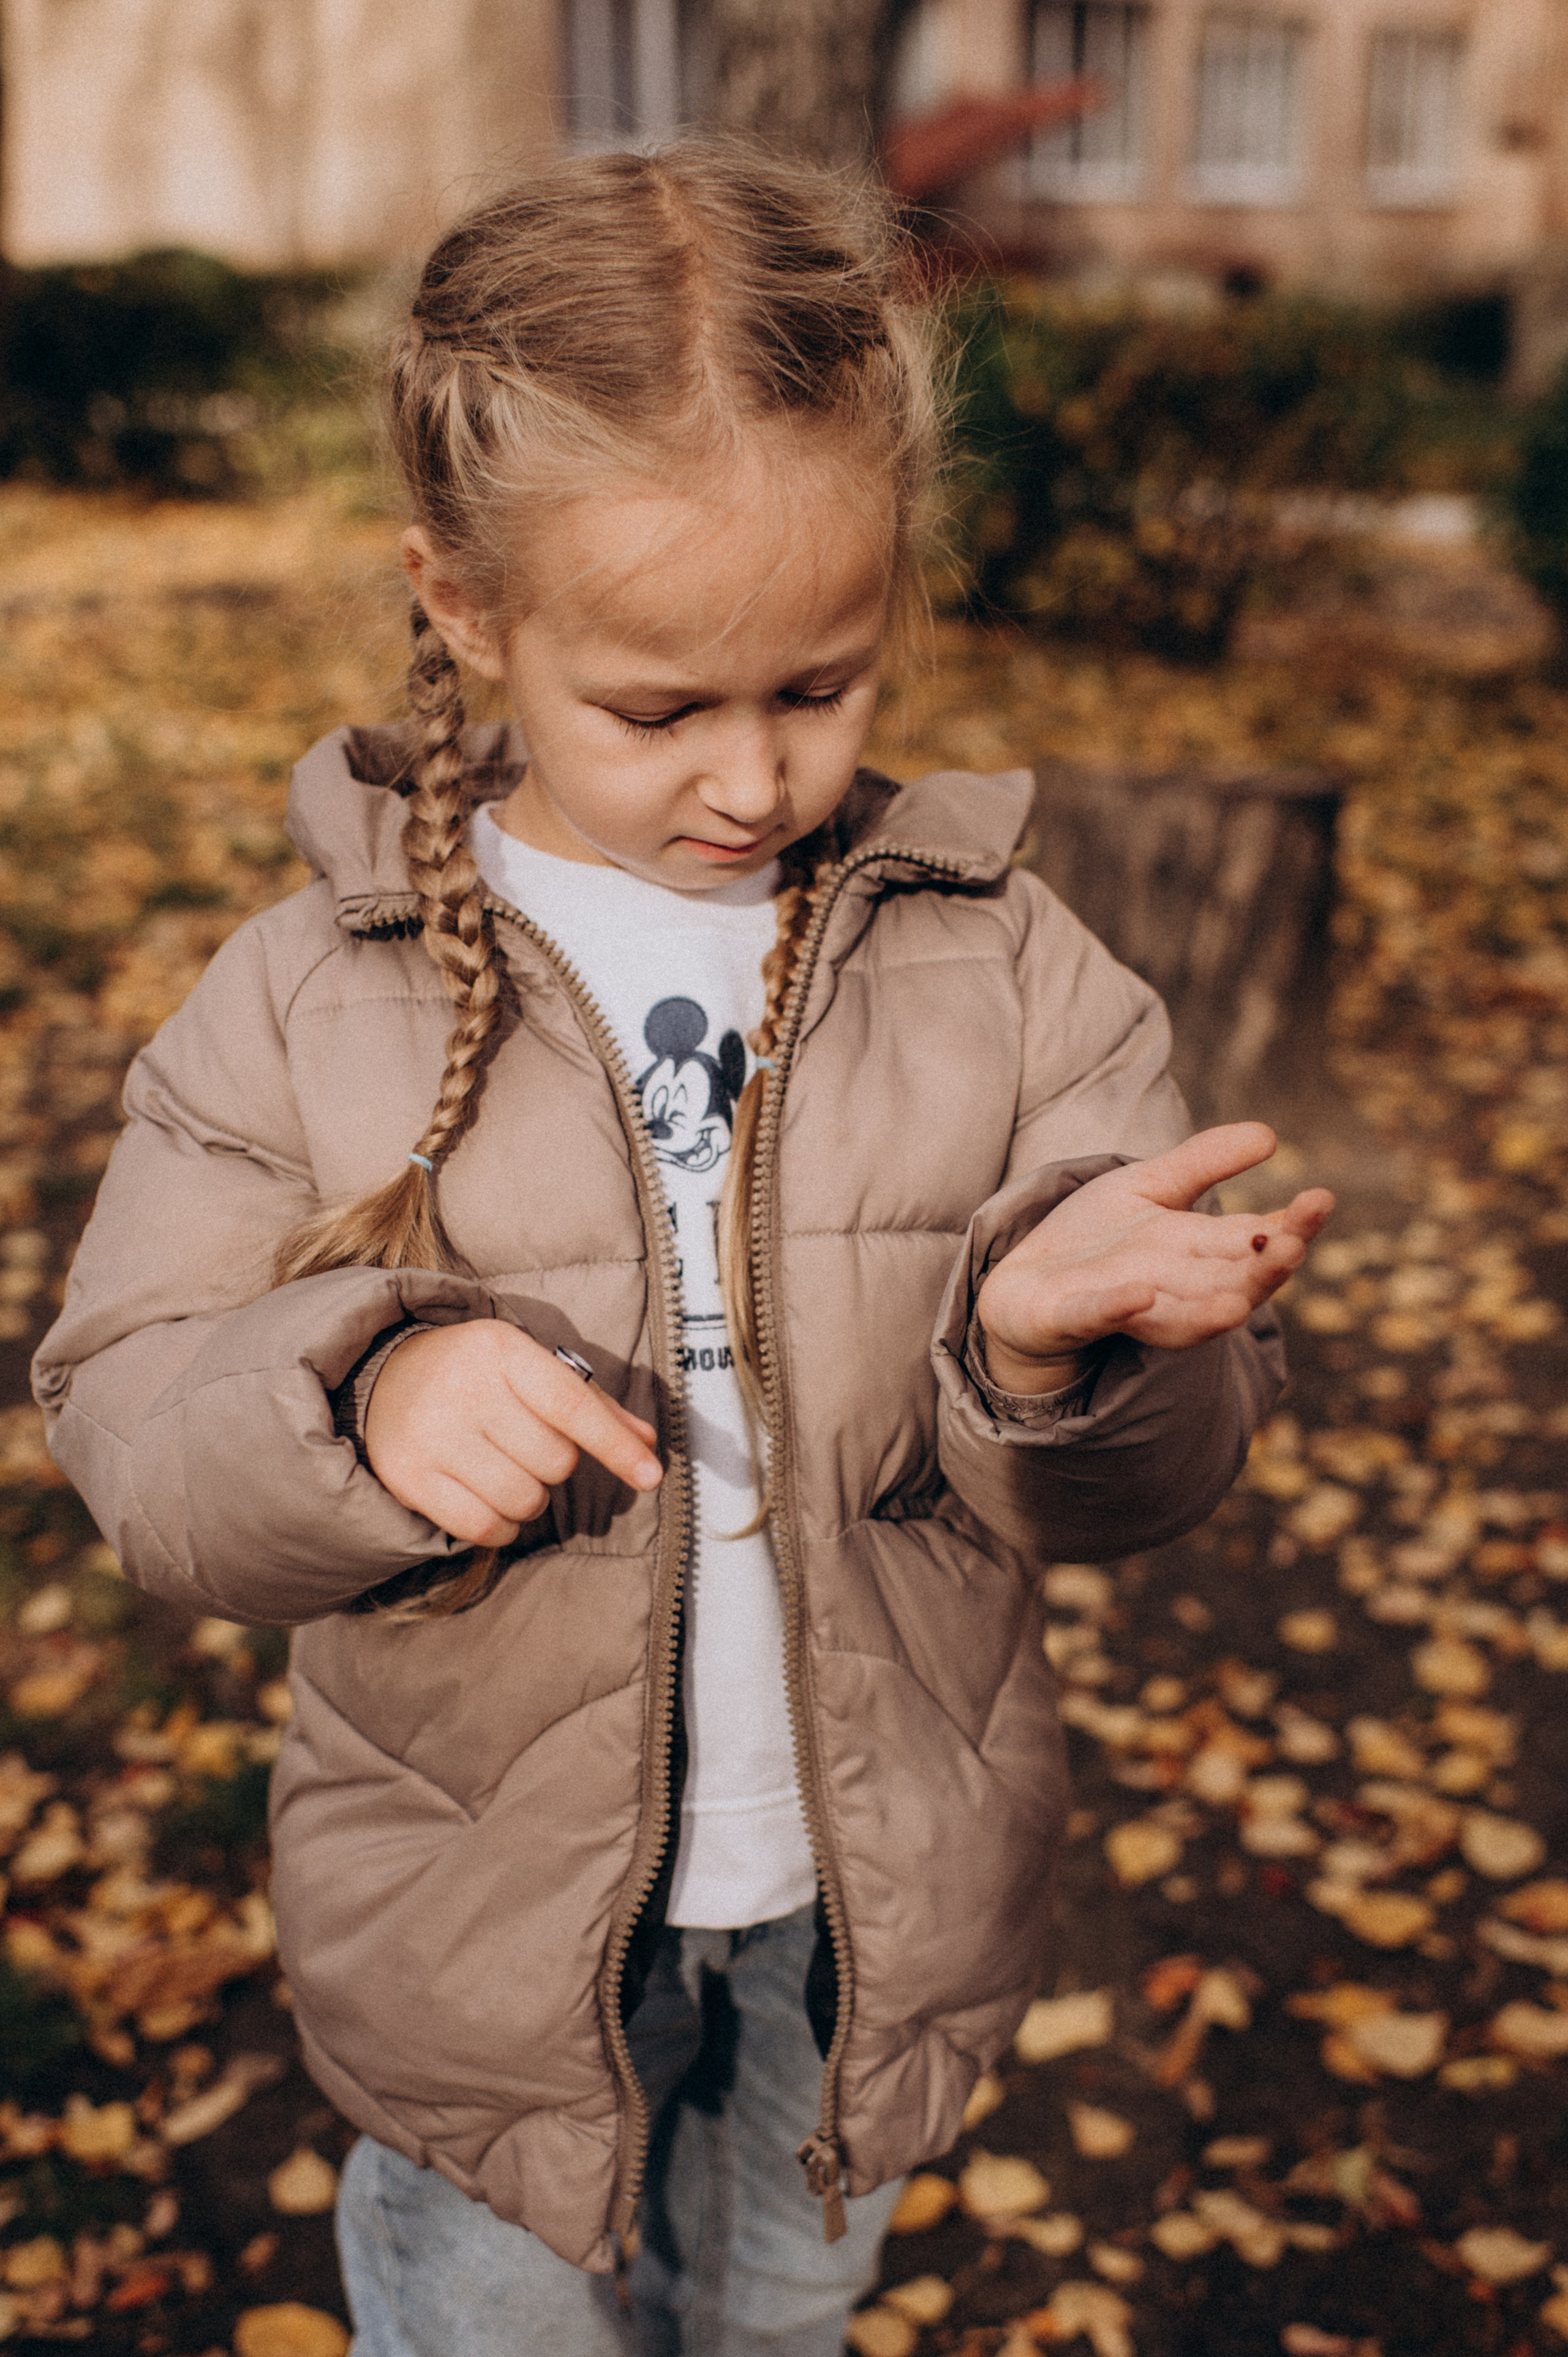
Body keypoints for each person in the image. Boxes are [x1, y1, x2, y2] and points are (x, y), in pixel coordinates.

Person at [34, 141, 1332, 2357]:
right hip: (480, 1934)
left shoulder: (1010, 972)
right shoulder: (305, 990)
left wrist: (1048, 1354)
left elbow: (1151, 1482)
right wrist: (356, 1392)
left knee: (780, 2327)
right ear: (464, 608)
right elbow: (127, 1403)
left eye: (818, 686)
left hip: (865, 1923)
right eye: (661, 708)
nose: (751, 777)